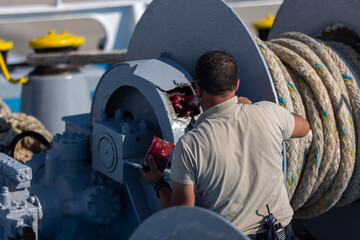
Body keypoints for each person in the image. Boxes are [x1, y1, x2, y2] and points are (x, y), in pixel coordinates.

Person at [141, 50, 310, 239]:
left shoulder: (189, 145)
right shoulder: (270, 113)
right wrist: (255, 109)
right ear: (237, 85)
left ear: (197, 89)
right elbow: (304, 127)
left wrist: (158, 183)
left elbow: (181, 214)